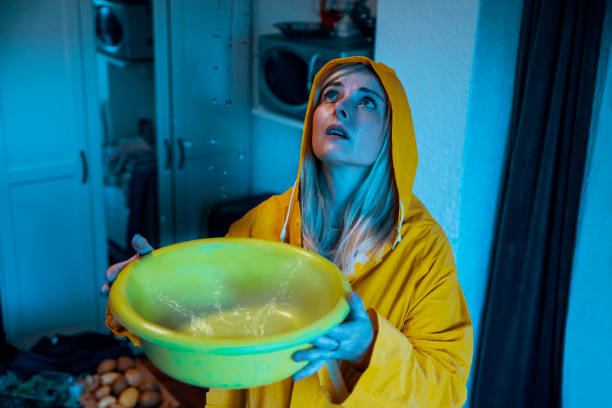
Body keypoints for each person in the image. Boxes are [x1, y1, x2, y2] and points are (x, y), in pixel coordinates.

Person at [101, 56, 473, 407]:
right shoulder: (262, 223)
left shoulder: (423, 251)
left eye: (367, 102)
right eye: (331, 95)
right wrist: (150, 290)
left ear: (394, 135)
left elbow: (445, 390)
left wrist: (368, 348)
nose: (340, 108)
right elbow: (213, 321)